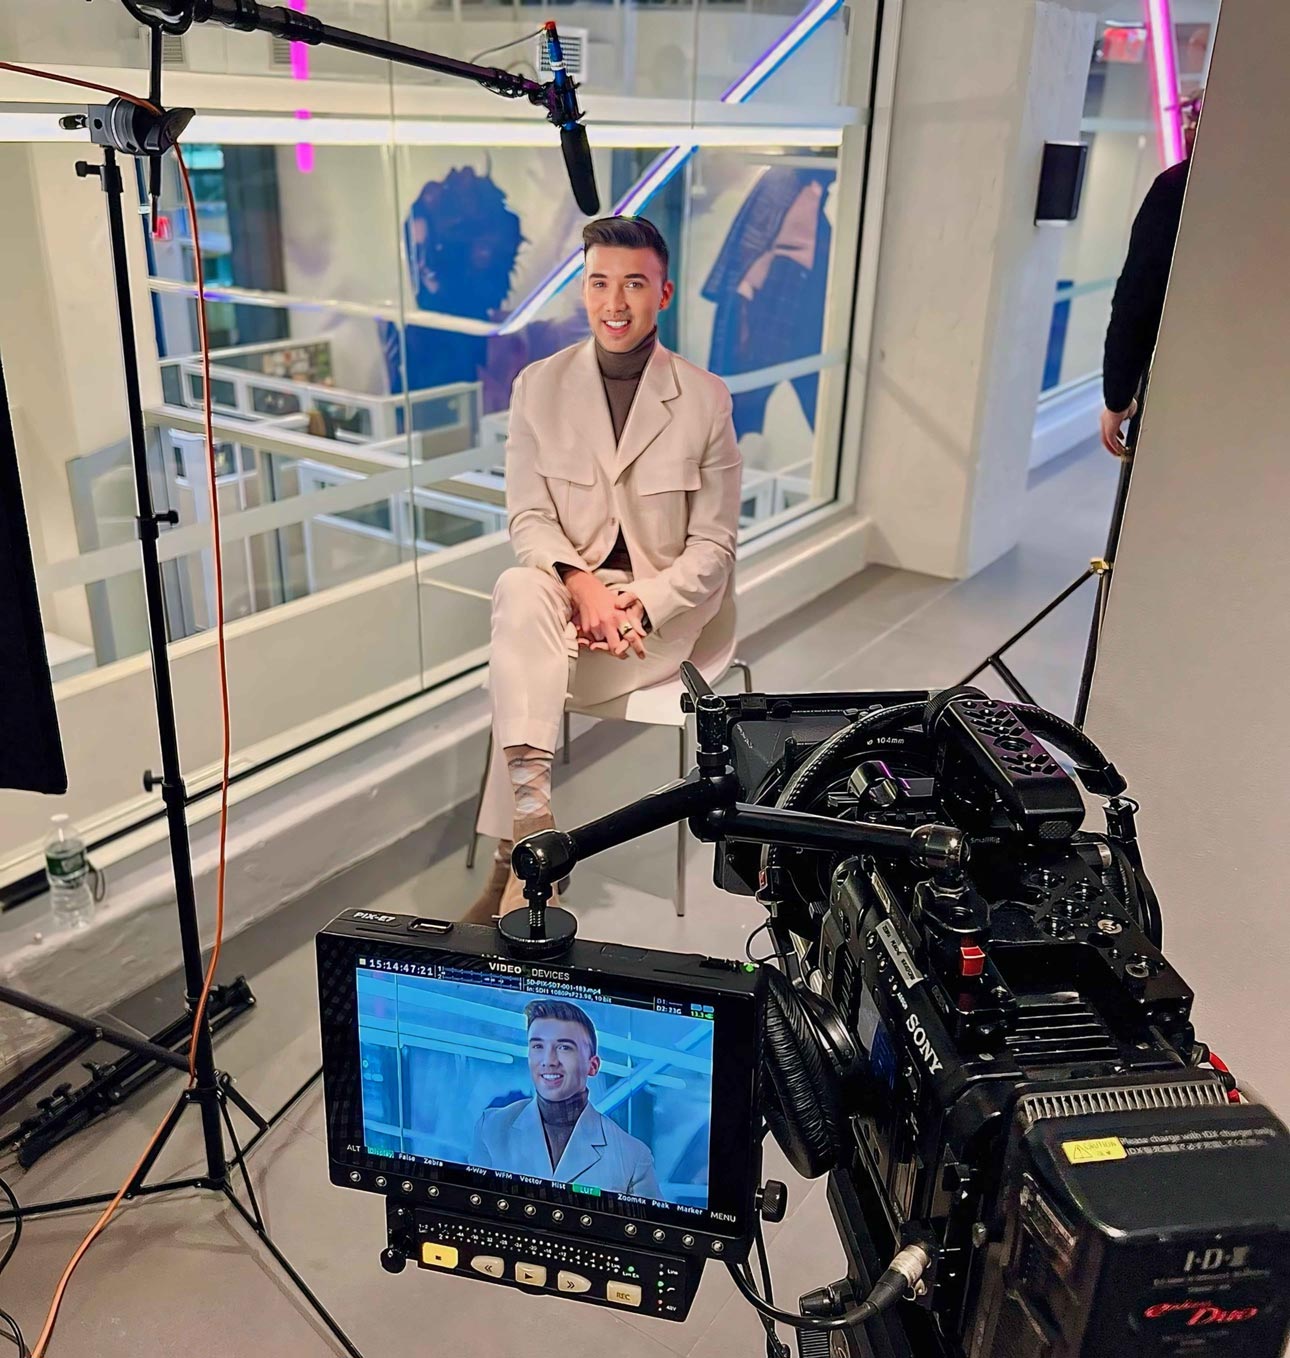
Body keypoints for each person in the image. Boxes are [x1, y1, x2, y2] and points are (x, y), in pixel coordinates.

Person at [465, 215, 742, 921]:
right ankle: (534, 829)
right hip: (569, 602)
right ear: (582, 290)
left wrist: (639, 605)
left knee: (518, 663)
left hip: (660, 622)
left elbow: (713, 551)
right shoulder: (538, 387)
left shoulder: (704, 399)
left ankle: (512, 865)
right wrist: (582, 586)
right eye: (598, 282)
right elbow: (529, 518)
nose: (614, 302)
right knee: (519, 587)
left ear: (665, 292)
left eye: (634, 283)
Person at [470, 1000, 661, 1197]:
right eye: (537, 1046)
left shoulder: (633, 1157)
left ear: (593, 1066)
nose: (548, 1061)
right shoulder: (491, 1127)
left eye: (564, 1048)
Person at [1100, 93, 1202, 457]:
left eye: (1194, 114)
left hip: (1180, 387)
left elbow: (1136, 301)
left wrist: (1117, 398)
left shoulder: (1179, 188)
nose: (1188, 126)